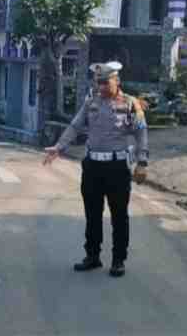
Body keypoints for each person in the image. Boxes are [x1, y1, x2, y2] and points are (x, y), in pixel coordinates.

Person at [44, 61, 149, 278]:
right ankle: (92, 256)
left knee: (119, 216)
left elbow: (141, 133)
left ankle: (118, 260)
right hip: (92, 166)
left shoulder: (131, 104)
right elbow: (75, 126)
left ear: (117, 81)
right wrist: (59, 147)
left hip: (117, 167)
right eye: (98, 82)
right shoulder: (91, 102)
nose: (100, 86)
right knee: (92, 215)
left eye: (105, 82)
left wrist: (142, 162)